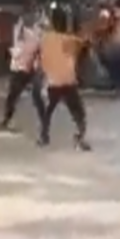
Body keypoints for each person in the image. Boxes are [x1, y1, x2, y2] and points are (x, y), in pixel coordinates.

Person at [38, 8, 91, 150]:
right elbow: (85, 45)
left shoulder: (46, 39)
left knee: (48, 110)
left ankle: (44, 137)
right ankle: (80, 138)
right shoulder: (71, 40)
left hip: (52, 81)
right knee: (78, 112)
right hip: (68, 80)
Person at [0, 10, 44, 130]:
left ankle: (8, 119)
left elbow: (39, 51)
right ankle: (7, 119)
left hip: (28, 68)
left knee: (19, 95)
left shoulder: (32, 34)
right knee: (18, 95)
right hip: (25, 68)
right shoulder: (28, 33)